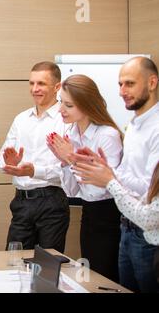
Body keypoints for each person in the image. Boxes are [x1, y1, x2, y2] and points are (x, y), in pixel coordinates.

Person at [69, 56, 159, 292]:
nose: (121, 91)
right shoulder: (135, 125)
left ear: (152, 82)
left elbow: (150, 188)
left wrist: (109, 176)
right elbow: (128, 177)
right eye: (120, 84)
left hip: (148, 234)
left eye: (129, 83)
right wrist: (105, 170)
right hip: (126, 227)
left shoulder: (156, 127)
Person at [46, 74, 123, 282]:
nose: (61, 109)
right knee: (92, 276)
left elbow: (103, 188)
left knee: (107, 277)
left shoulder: (107, 135)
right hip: (88, 215)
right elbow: (71, 192)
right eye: (61, 101)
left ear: (87, 105)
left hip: (109, 216)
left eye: (68, 105)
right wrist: (64, 162)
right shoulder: (72, 133)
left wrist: (71, 159)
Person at [0, 61, 69, 253]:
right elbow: (0, 160)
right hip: (21, 202)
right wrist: (9, 163)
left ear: (57, 87)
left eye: (41, 84)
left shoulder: (67, 120)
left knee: (47, 266)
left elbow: (69, 169)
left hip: (52, 201)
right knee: (13, 262)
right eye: (31, 83)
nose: (35, 89)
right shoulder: (21, 119)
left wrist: (33, 171)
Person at [74, 161, 159, 283]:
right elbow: (144, 203)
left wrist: (110, 180)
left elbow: (147, 218)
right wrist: (108, 175)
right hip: (128, 226)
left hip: (148, 241)